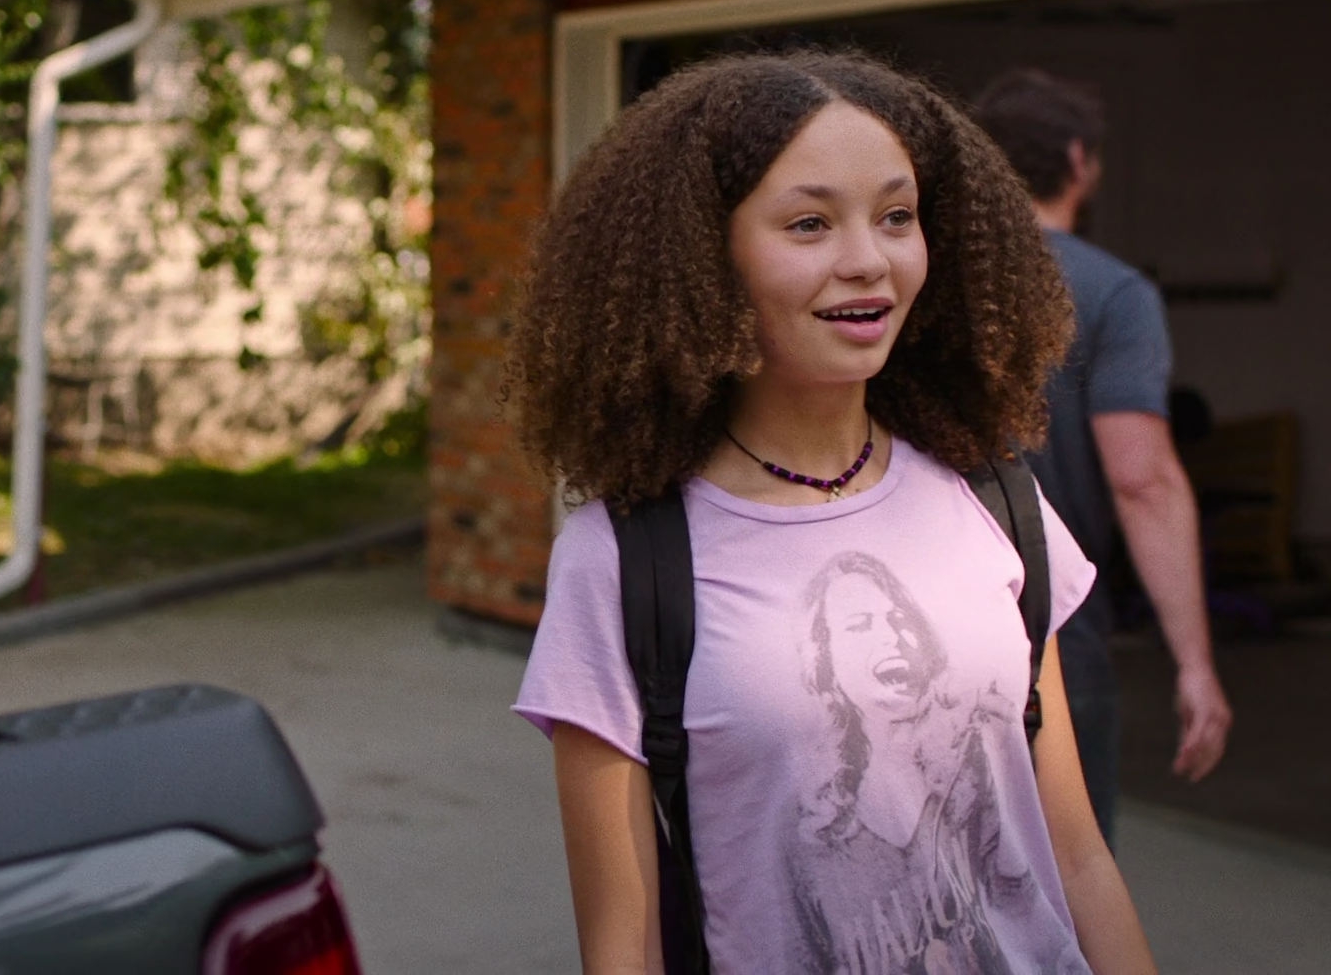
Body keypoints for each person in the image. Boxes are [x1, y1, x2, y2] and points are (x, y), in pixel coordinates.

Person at [506, 49, 1155, 973]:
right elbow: (625, 943)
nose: (868, 261)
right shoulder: (624, 558)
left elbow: (1078, 860)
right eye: (809, 223)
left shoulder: (994, 498)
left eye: (897, 217)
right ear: (703, 260)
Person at [972, 70, 1233, 849]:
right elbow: (1141, 479)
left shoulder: (917, 276)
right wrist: (1194, 663)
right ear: (1079, 160)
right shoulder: (1113, 294)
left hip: (916, 626)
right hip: (1056, 631)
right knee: (1069, 876)